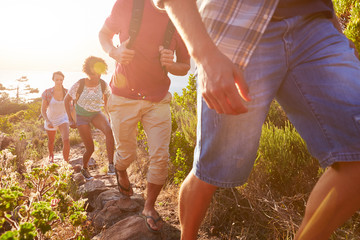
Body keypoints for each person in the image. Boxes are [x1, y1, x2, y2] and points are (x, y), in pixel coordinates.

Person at [155, 0, 360, 239]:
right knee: (210, 168)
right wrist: (206, 56)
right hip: (237, 29)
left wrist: (336, 31)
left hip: (315, 26)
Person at [98, 0, 190, 233]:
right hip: (122, 97)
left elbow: (185, 65)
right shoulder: (127, 4)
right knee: (126, 154)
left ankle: (149, 207)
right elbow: (104, 34)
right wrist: (114, 51)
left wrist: (171, 64)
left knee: (160, 156)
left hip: (158, 100)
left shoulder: (181, 14)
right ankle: (120, 170)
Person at [64, 56, 115, 181]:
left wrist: (109, 115)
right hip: (82, 116)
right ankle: (85, 168)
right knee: (90, 148)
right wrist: (71, 119)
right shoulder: (80, 84)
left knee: (109, 132)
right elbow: (67, 100)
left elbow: (108, 100)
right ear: (88, 71)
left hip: (96, 114)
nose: (96, 76)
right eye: (93, 73)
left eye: (99, 73)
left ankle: (111, 165)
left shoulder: (103, 84)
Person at [41, 71, 70, 163]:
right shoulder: (47, 92)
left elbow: (71, 108)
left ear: (63, 80)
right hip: (51, 119)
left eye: (61, 79)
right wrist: (48, 121)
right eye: (57, 79)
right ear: (53, 80)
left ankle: (66, 162)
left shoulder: (67, 92)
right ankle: (51, 155)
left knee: (66, 139)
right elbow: (43, 110)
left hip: (63, 118)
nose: (59, 81)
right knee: (51, 140)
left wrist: (73, 120)